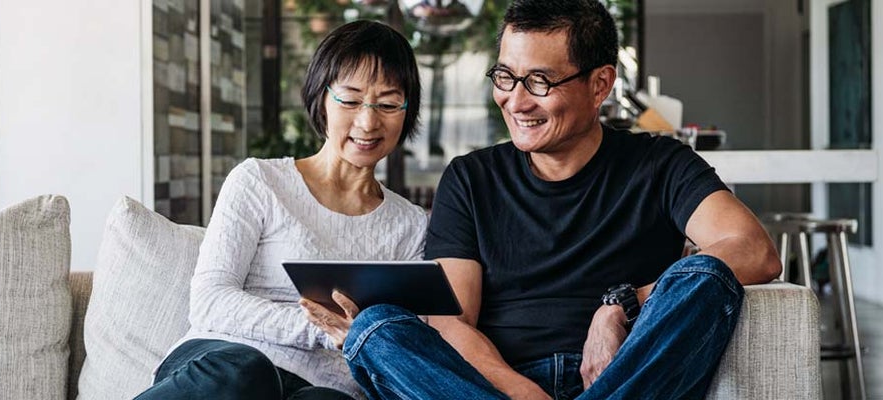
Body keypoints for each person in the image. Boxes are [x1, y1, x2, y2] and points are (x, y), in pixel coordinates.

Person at [301, 1, 782, 399]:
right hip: (492, 386)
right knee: (378, 328)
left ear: (600, 85)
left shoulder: (659, 163)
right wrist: (521, 393)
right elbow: (453, 323)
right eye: (505, 76)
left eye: (540, 82)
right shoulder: (471, 178)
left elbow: (753, 251)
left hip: (627, 377)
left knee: (705, 275)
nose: (516, 100)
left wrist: (622, 305)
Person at [134, 20, 426, 400]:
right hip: (224, 366)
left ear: (407, 112)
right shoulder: (259, 180)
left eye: (387, 104)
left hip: (322, 385)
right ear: (321, 97)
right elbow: (209, 301)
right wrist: (323, 328)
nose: (368, 121)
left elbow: (400, 336)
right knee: (248, 372)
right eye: (351, 99)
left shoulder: (412, 225)